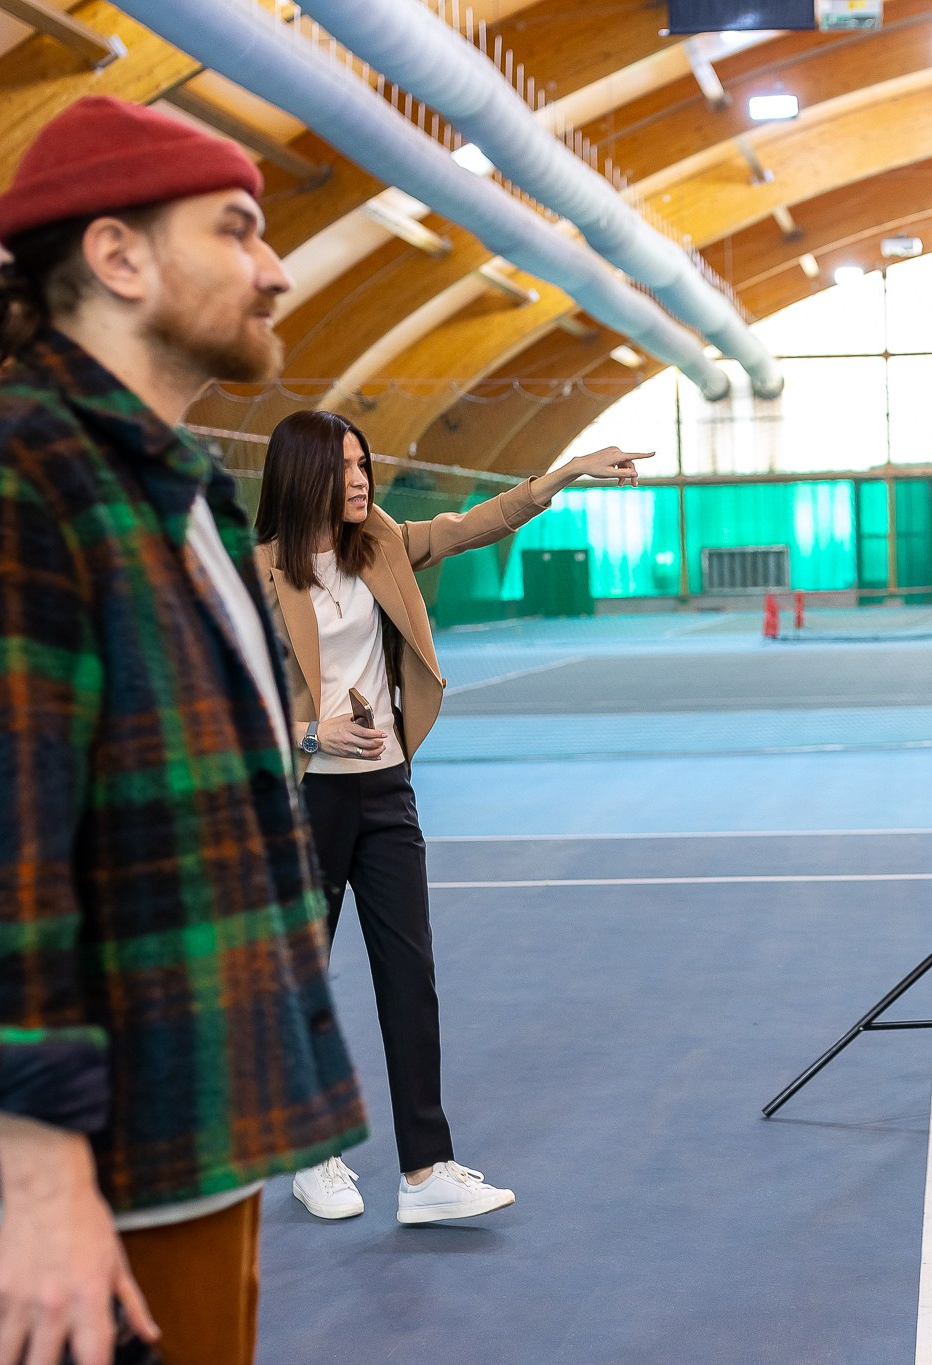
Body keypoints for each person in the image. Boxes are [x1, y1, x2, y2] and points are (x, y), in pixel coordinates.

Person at [0, 97, 367, 1365]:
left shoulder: (170, 485)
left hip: (188, 1122)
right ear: (118, 256)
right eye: (238, 230)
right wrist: (42, 1184)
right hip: (100, 1157)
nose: (277, 268)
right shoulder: (3, 470)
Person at [255, 410, 647, 1225]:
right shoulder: (262, 575)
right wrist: (308, 731)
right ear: (302, 478)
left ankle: (425, 1169)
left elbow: (471, 525)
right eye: (344, 468)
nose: (361, 479)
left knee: (412, 979)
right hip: (307, 797)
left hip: (387, 790)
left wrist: (566, 470)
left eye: (364, 463)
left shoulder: (384, 542)